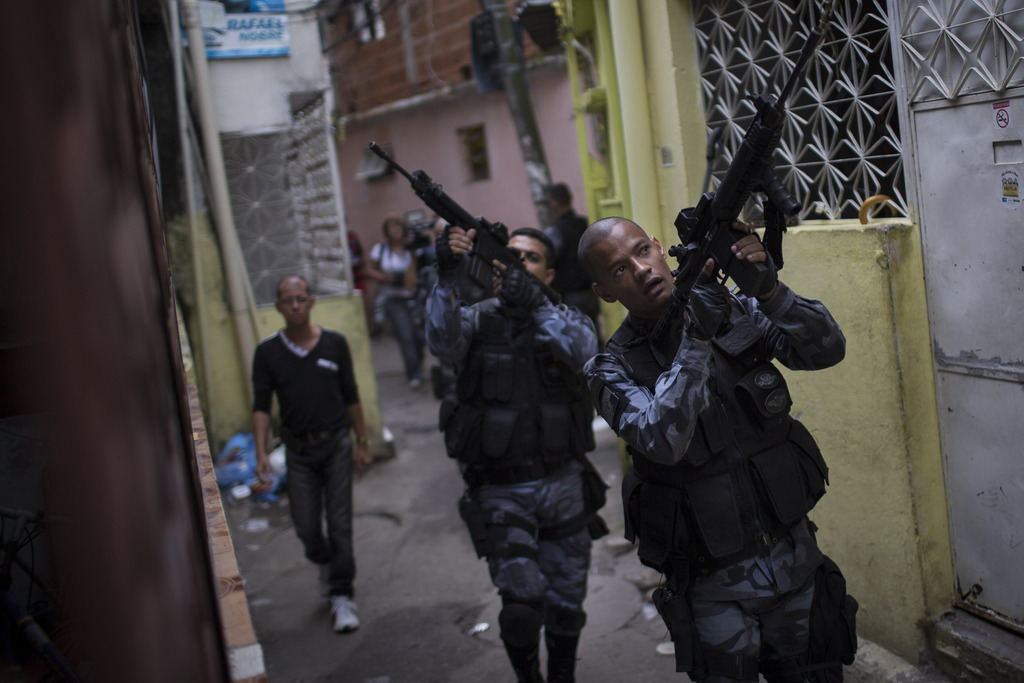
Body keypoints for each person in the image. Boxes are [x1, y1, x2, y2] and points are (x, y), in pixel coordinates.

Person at [578, 217, 857, 682]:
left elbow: (827, 350)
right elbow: (660, 440)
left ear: (659, 247)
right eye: (620, 270)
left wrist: (770, 291)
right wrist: (696, 341)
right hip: (713, 592)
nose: (642, 269)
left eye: (642, 252)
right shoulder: (609, 368)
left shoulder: (736, 309)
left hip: (796, 566)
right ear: (604, 291)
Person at [426, 225, 608, 683]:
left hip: (565, 482)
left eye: (531, 259)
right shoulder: (474, 319)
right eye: (512, 257)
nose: (518, 265)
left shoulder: (567, 316)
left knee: (567, 605)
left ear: (548, 273)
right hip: (501, 491)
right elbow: (441, 342)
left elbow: (584, 353)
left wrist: (538, 304)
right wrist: (445, 275)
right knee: (522, 606)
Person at [251, 275, 374, 634]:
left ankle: (341, 594)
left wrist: (362, 442)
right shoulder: (268, 352)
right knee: (306, 526)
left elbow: (351, 394)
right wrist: (260, 452)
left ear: (312, 301)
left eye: (300, 298)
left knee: (340, 523)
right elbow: (261, 404)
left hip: (336, 444)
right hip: (299, 452)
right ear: (277, 306)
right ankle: (324, 562)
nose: (294, 305)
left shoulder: (334, 344)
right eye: (287, 300)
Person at [366, 213, 425, 388]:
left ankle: (417, 364)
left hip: (413, 298)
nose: (396, 231)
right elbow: (369, 270)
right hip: (393, 298)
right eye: (392, 228)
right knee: (405, 335)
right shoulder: (381, 250)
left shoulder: (411, 249)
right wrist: (384, 278)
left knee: (418, 337)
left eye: (398, 227)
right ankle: (414, 375)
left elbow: (415, 277)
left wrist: (413, 254)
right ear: (387, 231)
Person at [544, 183, 600, 336]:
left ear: (554, 202)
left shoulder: (556, 232)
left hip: (569, 298)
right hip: (590, 292)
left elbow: (549, 261)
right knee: (595, 337)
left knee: (576, 340)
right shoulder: (585, 224)